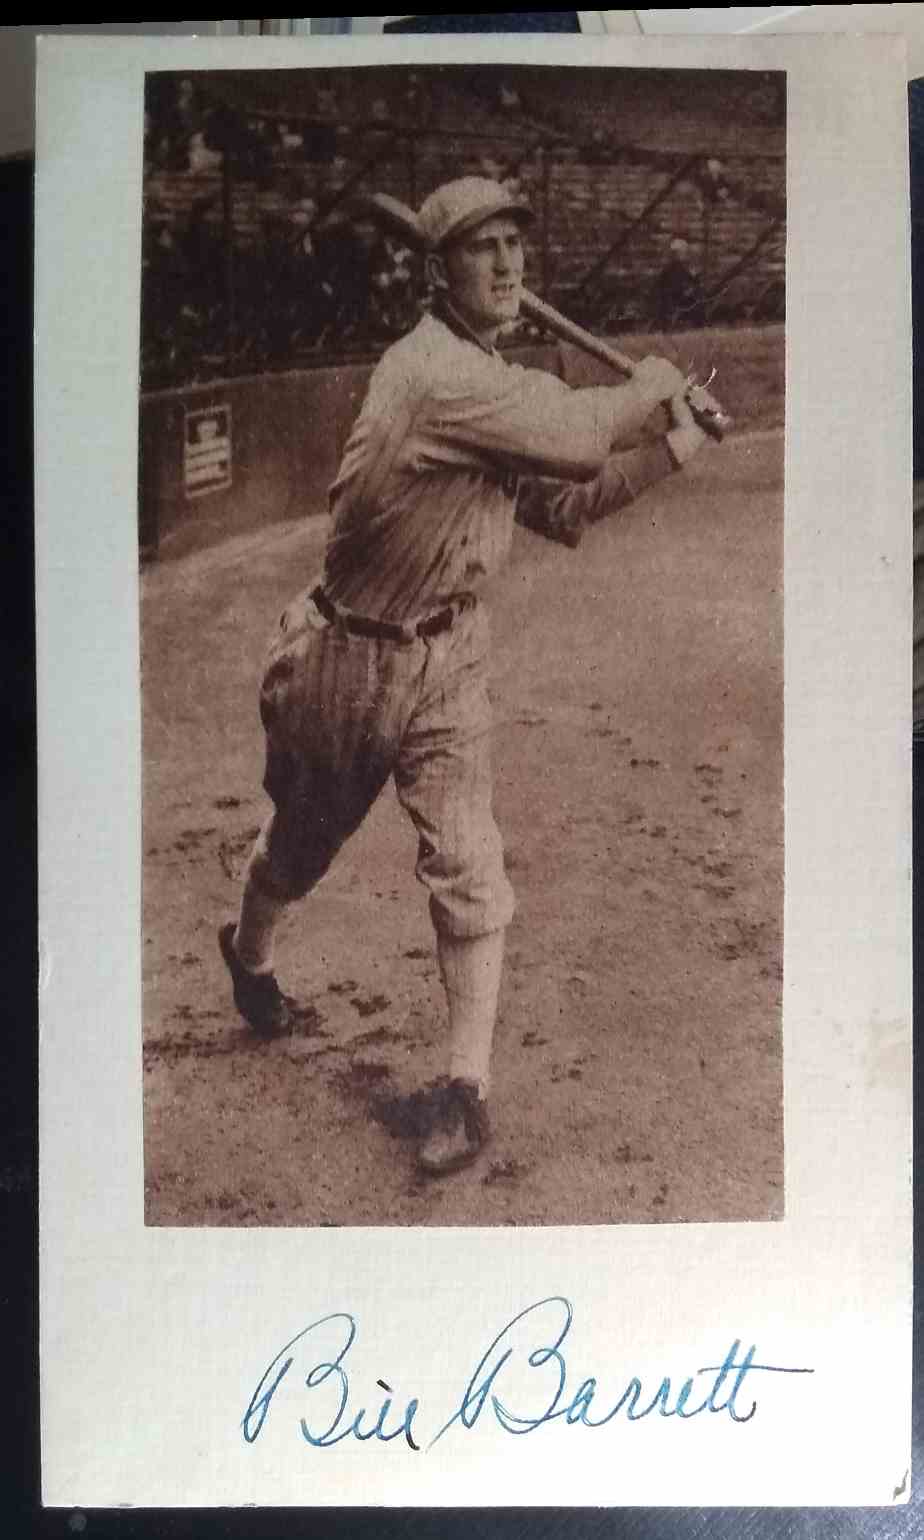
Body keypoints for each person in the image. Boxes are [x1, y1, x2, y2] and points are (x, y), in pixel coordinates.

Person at [218, 177, 711, 1177]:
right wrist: (652, 384)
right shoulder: (431, 373)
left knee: (470, 863)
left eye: (514, 244)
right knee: (302, 847)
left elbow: (566, 504)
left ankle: (464, 1086)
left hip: (450, 657)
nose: (507, 262)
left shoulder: (488, 381)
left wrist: (678, 442)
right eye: (482, 247)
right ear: (438, 270)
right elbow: (577, 434)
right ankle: (251, 952)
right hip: (347, 655)